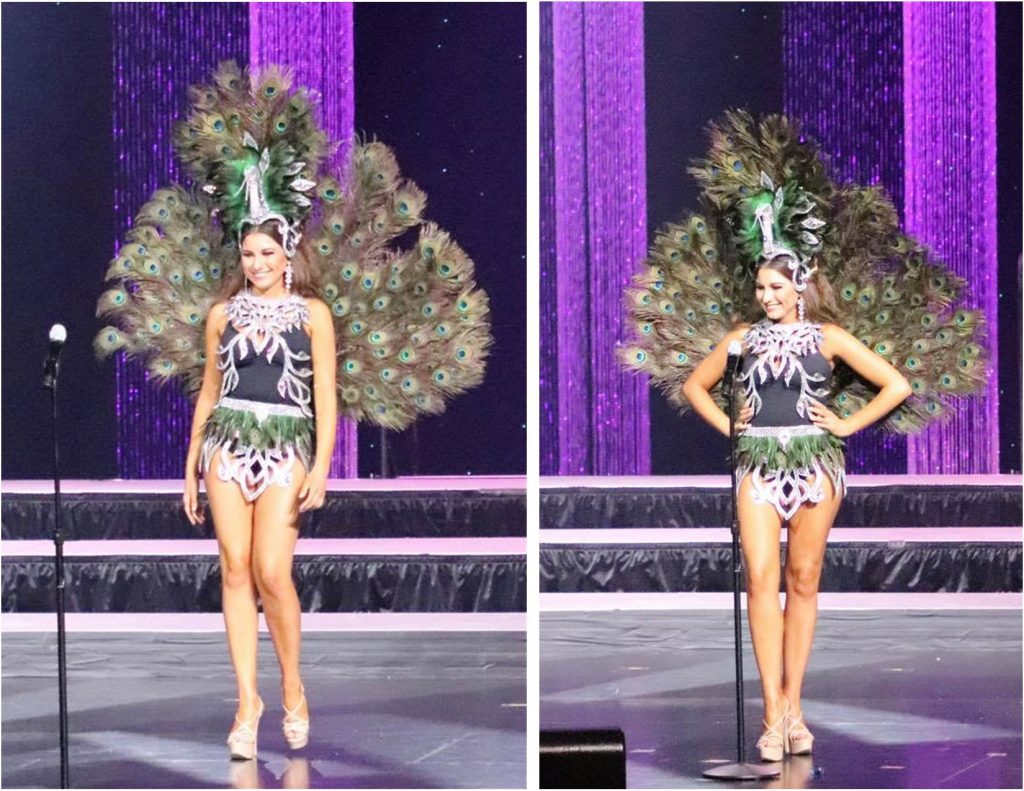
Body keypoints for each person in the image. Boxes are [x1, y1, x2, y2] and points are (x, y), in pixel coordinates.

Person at [682, 253, 911, 760]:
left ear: (799, 288)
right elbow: (694, 385)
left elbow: (898, 384)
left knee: (803, 579)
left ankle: (795, 708)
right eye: (760, 288)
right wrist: (729, 426)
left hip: (815, 464)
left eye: (776, 287)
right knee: (761, 578)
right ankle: (772, 714)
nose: (767, 297)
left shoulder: (829, 338)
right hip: (757, 464)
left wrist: (846, 425)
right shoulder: (743, 339)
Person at [182, 220, 337, 759]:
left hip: (288, 442)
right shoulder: (221, 316)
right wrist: (190, 466)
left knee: (271, 570)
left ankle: (292, 684)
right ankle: (247, 702)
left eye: (267, 252)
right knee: (234, 567)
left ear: (287, 255)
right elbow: (209, 392)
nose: (258, 263)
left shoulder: (313, 315)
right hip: (226, 440)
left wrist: (322, 465)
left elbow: (325, 396)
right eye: (249, 254)